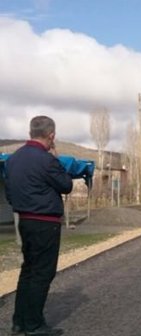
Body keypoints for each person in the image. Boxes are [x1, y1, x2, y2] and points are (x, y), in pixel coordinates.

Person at [5, 116, 72, 336]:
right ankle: (34, 326)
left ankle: (19, 322)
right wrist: (57, 160)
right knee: (42, 274)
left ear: (31, 132)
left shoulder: (13, 159)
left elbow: (9, 192)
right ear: (51, 135)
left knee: (28, 271)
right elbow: (66, 185)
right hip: (45, 223)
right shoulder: (47, 160)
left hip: (23, 220)